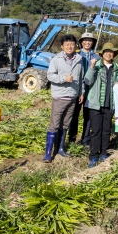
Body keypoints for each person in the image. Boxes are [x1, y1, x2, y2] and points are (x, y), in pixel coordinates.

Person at [43, 34, 84, 163]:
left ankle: (60, 148)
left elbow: (81, 78)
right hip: (59, 96)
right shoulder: (56, 59)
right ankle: (48, 153)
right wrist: (63, 79)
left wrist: (81, 92)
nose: (70, 47)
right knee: (55, 124)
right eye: (67, 44)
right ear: (62, 46)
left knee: (65, 124)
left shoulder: (79, 59)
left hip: (72, 96)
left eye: (72, 44)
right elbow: (50, 75)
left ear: (76, 46)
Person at [84, 42, 118, 168]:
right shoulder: (96, 66)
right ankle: (94, 155)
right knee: (96, 131)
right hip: (96, 104)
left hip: (109, 104)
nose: (108, 53)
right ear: (102, 54)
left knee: (106, 130)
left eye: (111, 52)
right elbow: (87, 81)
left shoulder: (117, 68)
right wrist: (91, 67)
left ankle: (104, 153)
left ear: (114, 54)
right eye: (106, 51)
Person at [68, 32, 99, 146]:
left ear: (93, 43)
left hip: (90, 90)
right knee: (74, 114)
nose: (87, 42)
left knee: (88, 116)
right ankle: (72, 138)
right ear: (81, 42)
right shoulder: (76, 56)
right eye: (85, 40)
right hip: (77, 89)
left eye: (89, 40)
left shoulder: (96, 57)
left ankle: (85, 139)